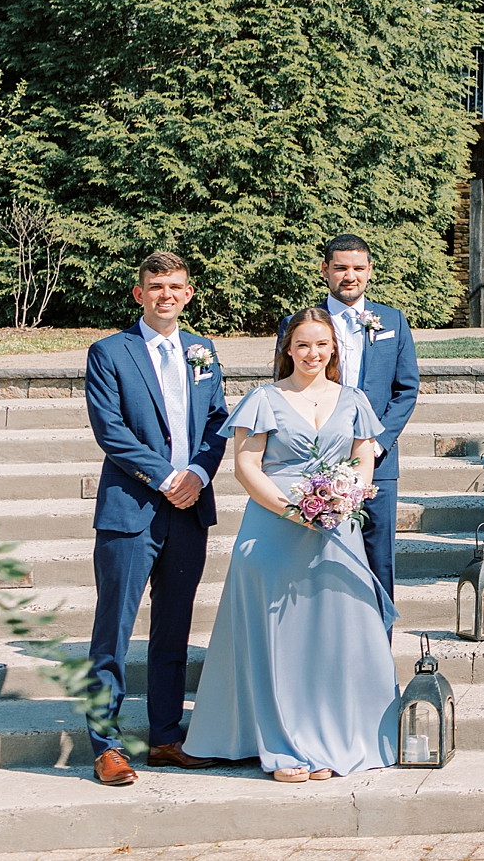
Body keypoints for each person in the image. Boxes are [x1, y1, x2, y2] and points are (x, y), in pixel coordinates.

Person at [184, 309, 401, 781]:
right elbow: (246, 467)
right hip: (275, 530)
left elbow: (364, 458)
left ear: (333, 349)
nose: (312, 354)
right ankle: (283, 745)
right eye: (303, 344)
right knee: (281, 642)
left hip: (336, 530)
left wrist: (345, 500)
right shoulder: (264, 398)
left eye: (322, 345)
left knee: (329, 641)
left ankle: (329, 740)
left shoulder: (354, 399)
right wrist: (296, 511)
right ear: (287, 348)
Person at [81, 251, 232, 787]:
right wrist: (167, 477)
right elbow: (111, 430)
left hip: (189, 511)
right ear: (138, 294)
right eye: (155, 286)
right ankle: (106, 745)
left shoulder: (203, 351)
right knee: (113, 631)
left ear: (188, 294)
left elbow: (219, 421)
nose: (166, 294)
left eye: (175, 286)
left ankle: (166, 736)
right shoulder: (109, 352)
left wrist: (197, 472)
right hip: (131, 509)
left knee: (174, 628)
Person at [277, 234, 418, 609]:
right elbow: (284, 387)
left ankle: (377, 647)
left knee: (377, 558)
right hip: (314, 462)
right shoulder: (299, 324)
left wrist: (378, 442)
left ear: (370, 271)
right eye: (340, 267)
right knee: (315, 559)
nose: (349, 275)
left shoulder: (392, 320)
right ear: (325, 270)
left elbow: (406, 389)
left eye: (358, 268)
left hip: (379, 463)